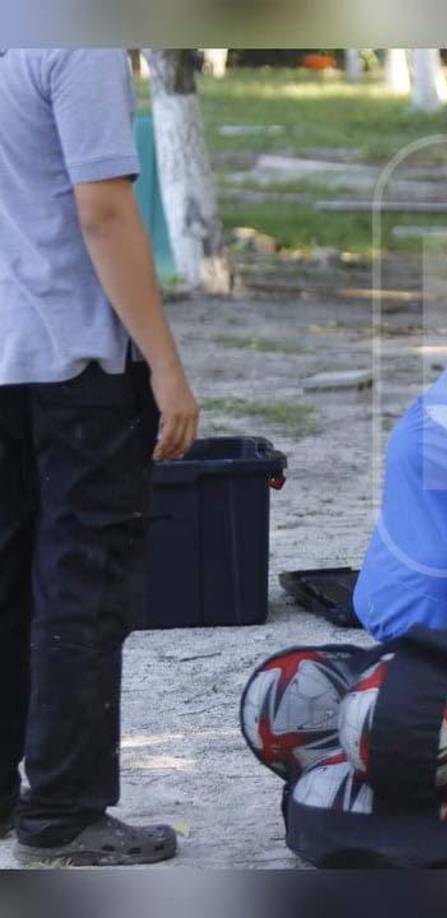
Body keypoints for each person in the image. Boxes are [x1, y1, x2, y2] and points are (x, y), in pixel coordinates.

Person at [0, 49, 199, 865]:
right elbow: (104, 212)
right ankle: (63, 812)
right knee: (83, 584)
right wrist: (166, 364)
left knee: (7, 581)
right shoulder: (76, 41)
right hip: (73, 358)